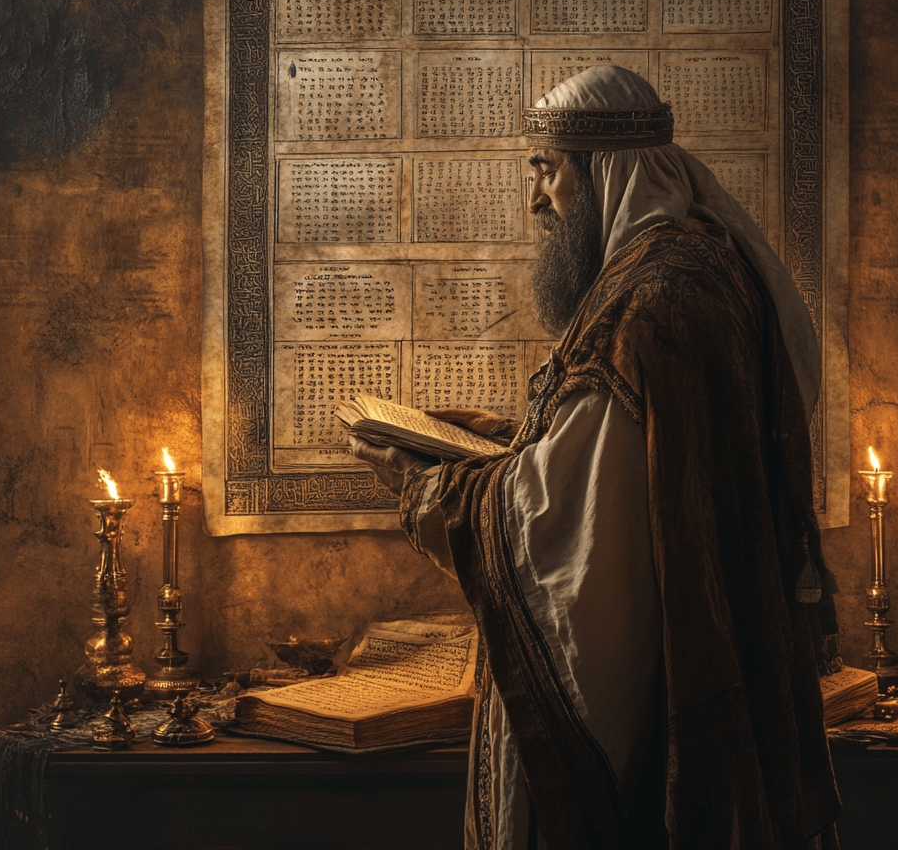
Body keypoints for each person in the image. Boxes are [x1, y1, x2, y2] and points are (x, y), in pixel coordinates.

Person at [350, 66, 841, 850]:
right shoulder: (703, 268)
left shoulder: (644, 305)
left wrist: (427, 488)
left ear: (604, 169)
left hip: (651, 687)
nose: (535, 199)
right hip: (714, 641)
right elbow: (627, 460)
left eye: (546, 170)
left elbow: (565, 538)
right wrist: (503, 437)